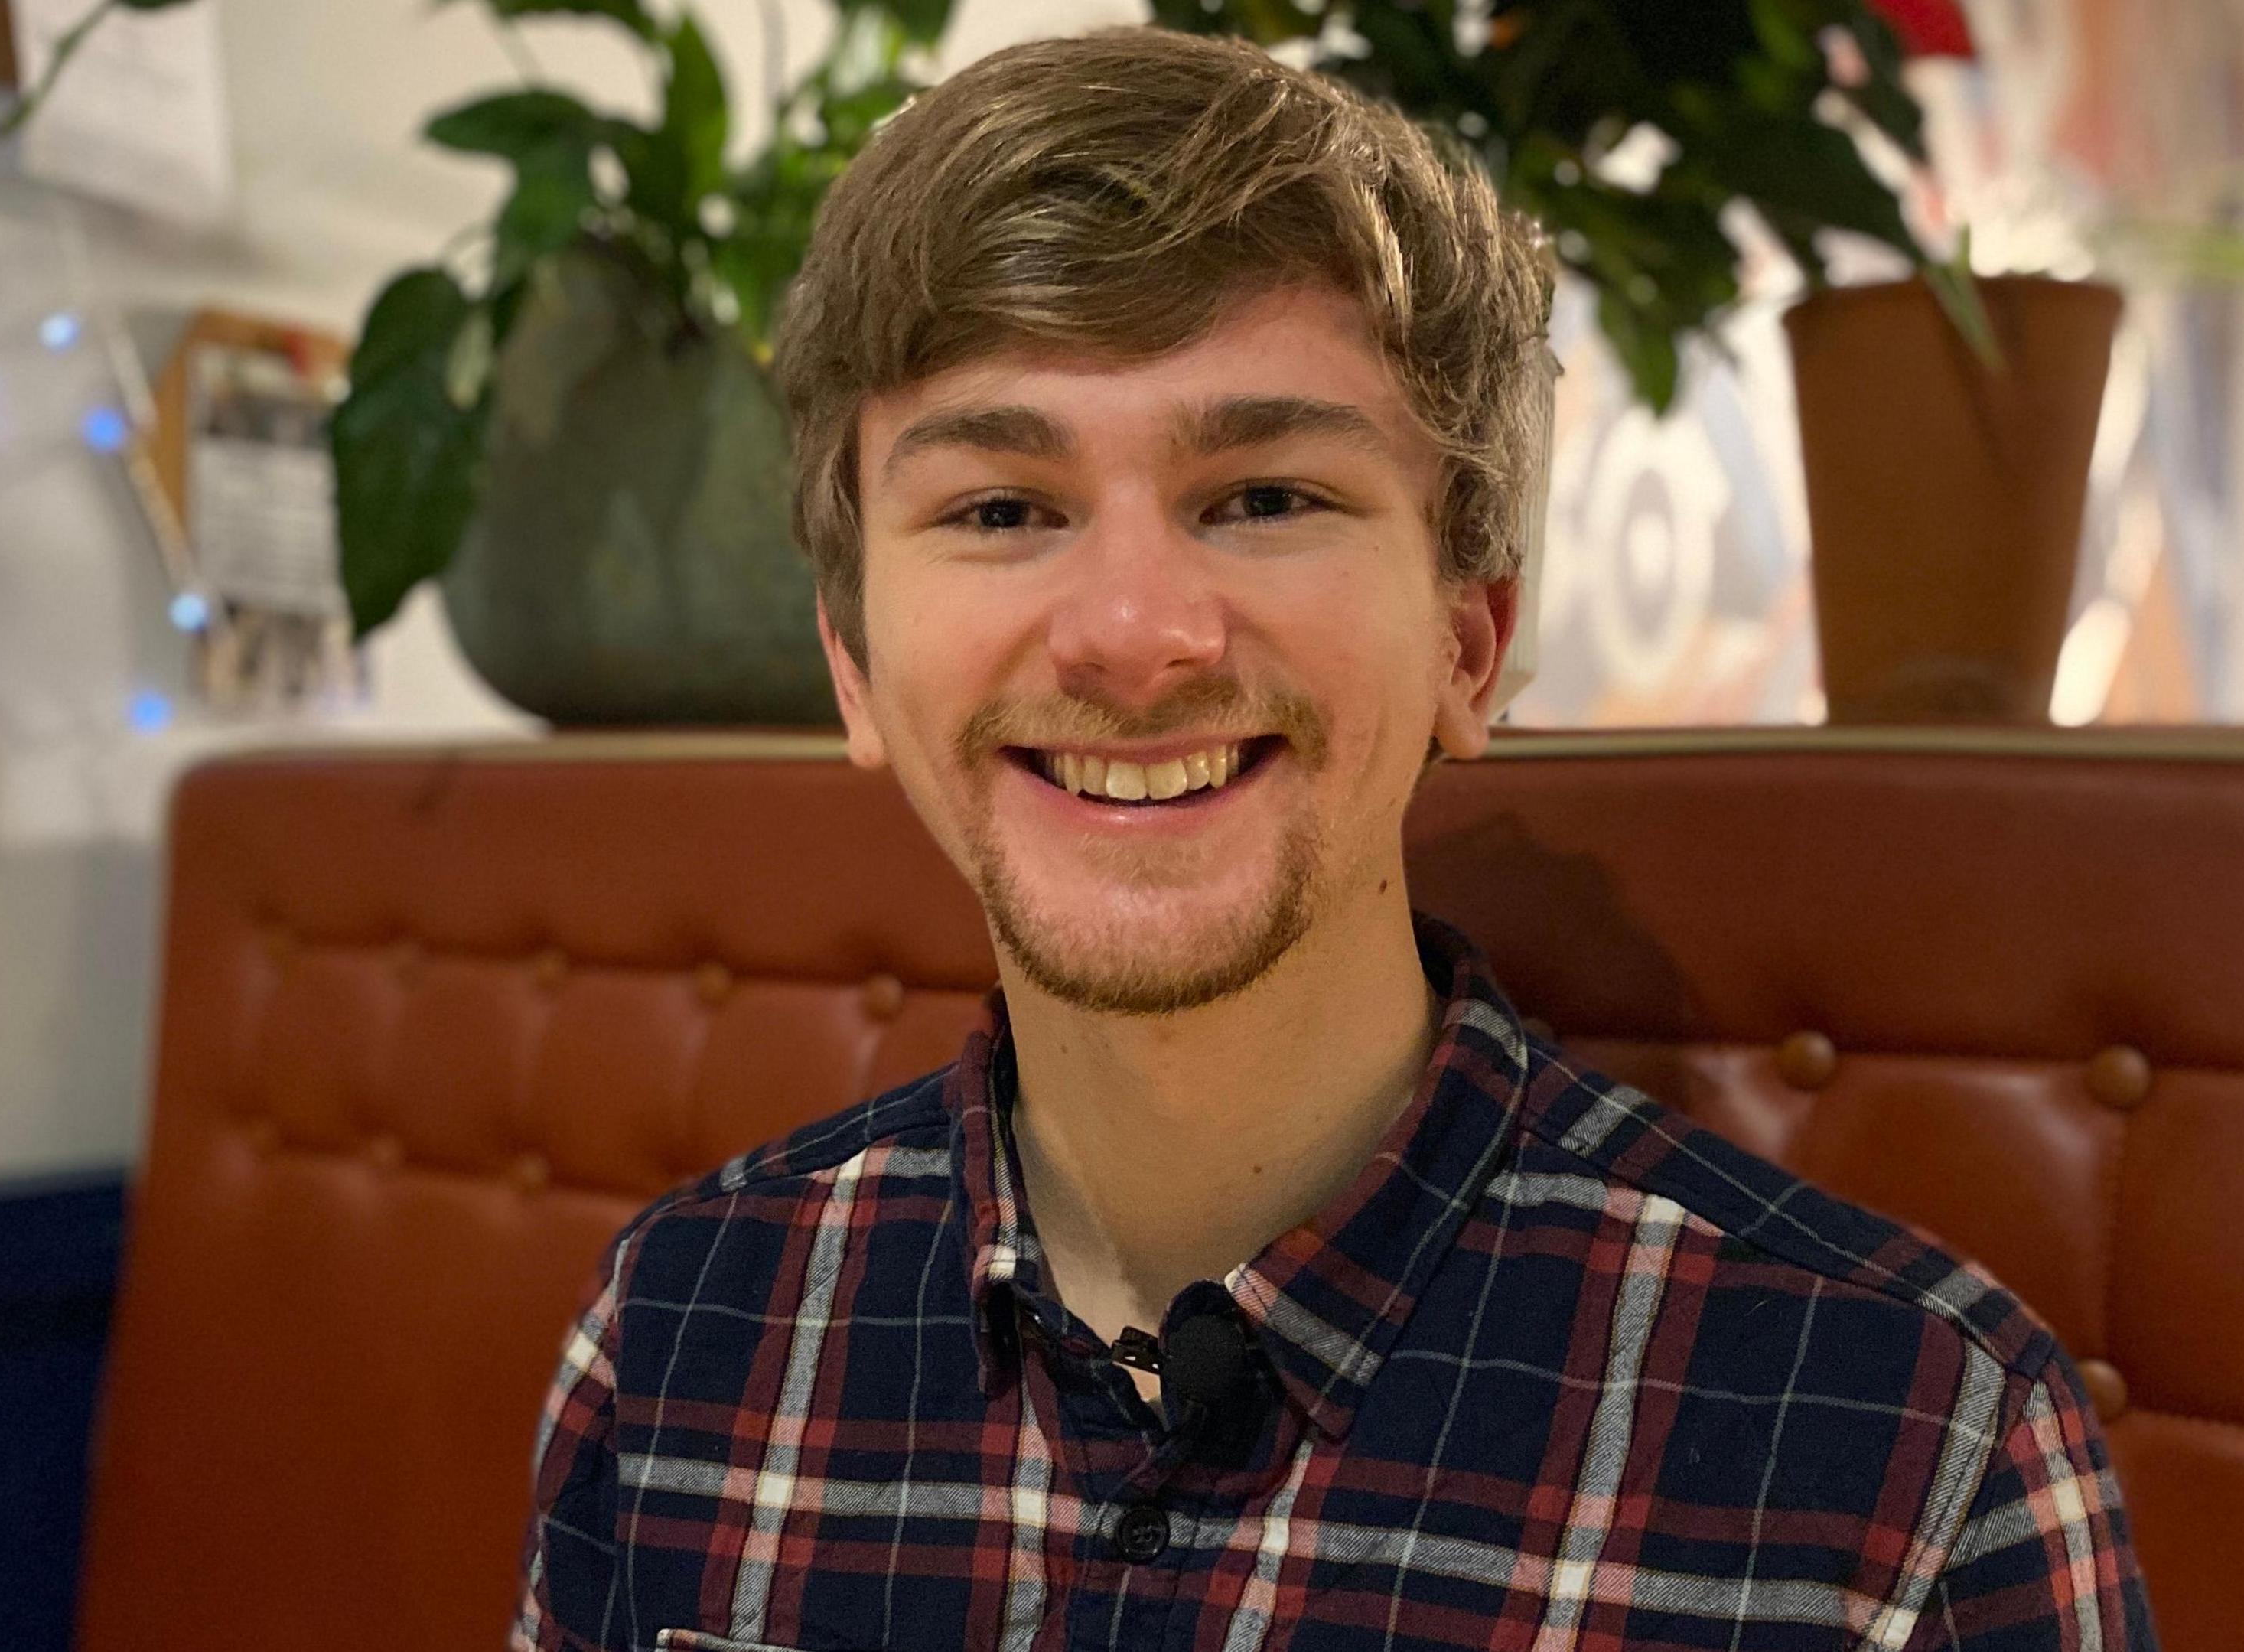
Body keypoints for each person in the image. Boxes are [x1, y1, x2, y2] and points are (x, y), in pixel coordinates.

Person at [517, 26, 2151, 1652]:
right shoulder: (678, 1342)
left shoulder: (1912, 1458)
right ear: (854, 665)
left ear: (1471, 642)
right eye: (1002, 510)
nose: (1136, 634)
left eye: (1268, 496)